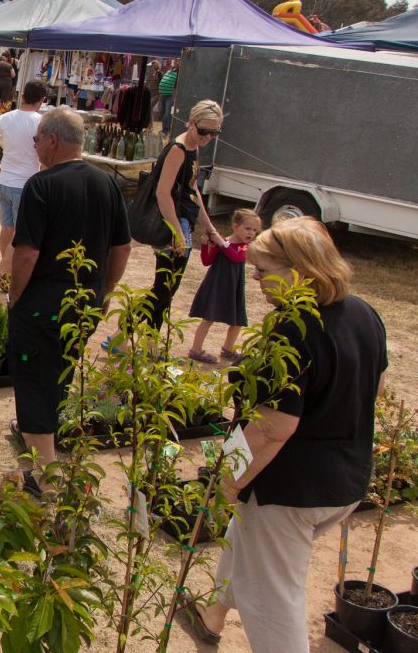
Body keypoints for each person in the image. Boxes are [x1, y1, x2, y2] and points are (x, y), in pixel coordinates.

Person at [183, 217, 387, 653]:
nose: (254, 279)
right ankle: (212, 616)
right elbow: (376, 386)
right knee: (244, 540)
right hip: (346, 480)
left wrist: (227, 480)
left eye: (263, 271)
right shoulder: (364, 313)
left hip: (290, 492)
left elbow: (272, 427)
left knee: (271, 600)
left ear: (300, 271)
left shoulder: (291, 328)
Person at [8, 108, 131, 492]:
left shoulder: (40, 185)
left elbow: (26, 254)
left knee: (32, 381)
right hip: (85, 300)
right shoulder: (107, 183)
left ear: (52, 140)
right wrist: (106, 289)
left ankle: (45, 478)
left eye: (36, 139)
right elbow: (122, 247)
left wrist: (15, 298)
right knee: (60, 374)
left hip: (44, 301)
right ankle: (46, 457)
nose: (35, 147)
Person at [146, 99, 223, 331]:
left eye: (214, 132)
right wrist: (178, 233)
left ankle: (127, 336)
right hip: (172, 224)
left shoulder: (193, 147)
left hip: (184, 222)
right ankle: (144, 339)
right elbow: (162, 193)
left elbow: (192, 190)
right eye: (203, 131)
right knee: (165, 287)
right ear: (191, 123)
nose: (207, 137)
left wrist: (210, 228)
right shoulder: (178, 150)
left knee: (168, 287)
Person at [0, 81, 47, 291]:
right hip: (26, 183)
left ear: (22, 95)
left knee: (8, 227)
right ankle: (4, 270)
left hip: (5, 180)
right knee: (21, 231)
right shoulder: (41, 121)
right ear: (42, 100)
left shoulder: (6, 117)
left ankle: (7, 272)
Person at [186, 208, 262, 363]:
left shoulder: (245, 246)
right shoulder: (224, 242)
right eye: (247, 228)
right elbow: (207, 261)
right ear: (235, 226)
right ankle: (196, 349)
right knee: (208, 318)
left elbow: (237, 257)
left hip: (234, 287)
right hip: (217, 284)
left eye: (255, 230)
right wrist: (206, 245)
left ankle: (228, 349)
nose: (251, 233)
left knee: (238, 320)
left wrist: (222, 243)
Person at [158, 62, 178, 135]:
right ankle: (164, 128)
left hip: (170, 95)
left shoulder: (179, 73)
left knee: (167, 113)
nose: (176, 62)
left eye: (178, 61)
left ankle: (166, 130)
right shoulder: (170, 70)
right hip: (163, 94)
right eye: (176, 61)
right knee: (163, 112)